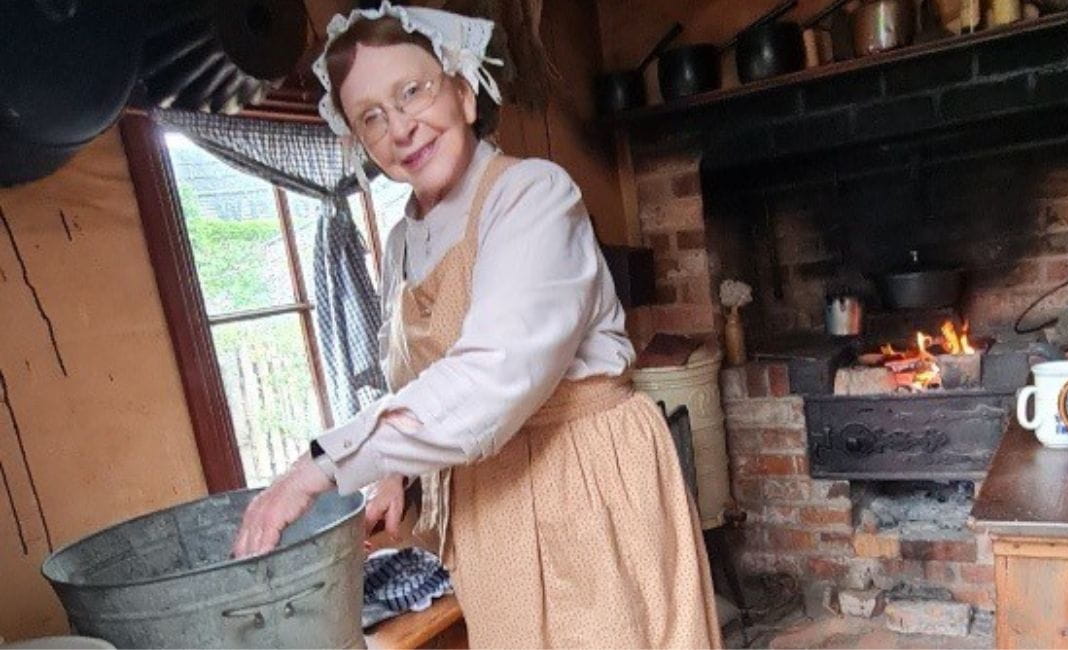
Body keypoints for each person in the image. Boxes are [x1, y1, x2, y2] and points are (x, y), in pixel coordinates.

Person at [232, 3, 721, 647]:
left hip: (583, 484)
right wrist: (395, 471)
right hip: (491, 505)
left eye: (413, 91)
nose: (400, 128)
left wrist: (319, 466)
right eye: (371, 117)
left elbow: (495, 374)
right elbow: (419, 379)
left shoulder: (533, 196)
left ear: (463, 92)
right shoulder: (403, 242)